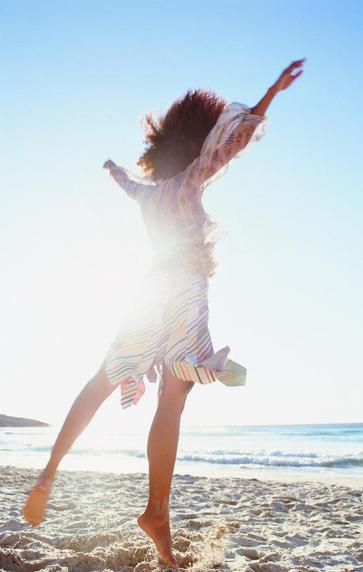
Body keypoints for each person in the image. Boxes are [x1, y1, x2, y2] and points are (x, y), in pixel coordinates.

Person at [22, 58, 305, 568]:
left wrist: (113, 170)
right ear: (195, 143)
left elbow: (126, 183)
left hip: (148, 289)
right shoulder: (193, 178)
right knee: (173, 398)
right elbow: (232, 143)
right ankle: (156, 511)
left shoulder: (148, 194)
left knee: (104, 375)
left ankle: (49, 470)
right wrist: (271, 93)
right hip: (183, 293)